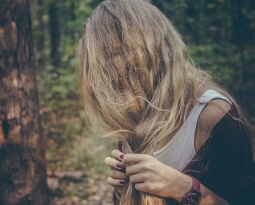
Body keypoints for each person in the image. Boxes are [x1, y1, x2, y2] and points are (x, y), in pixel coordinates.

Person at [76, 0, 255, 204]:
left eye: (120, 73)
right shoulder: (134, 113)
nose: (116, 90)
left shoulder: (212, 115)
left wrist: (184, 188)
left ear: (152, 56)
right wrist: (124, 190)